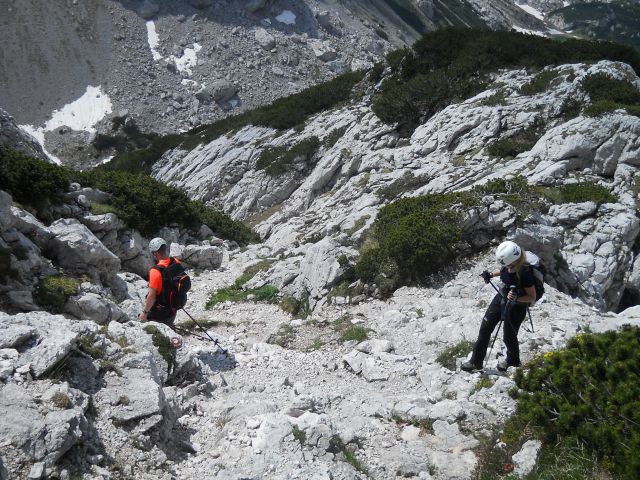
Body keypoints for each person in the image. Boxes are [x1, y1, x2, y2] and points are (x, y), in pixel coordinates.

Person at [461, 241, 537, 372]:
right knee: (485, 327)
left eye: (507, 264)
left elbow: (532, 297)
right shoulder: (510, 263)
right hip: (502, 297)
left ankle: (513, 362)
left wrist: (516, 298)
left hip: (517, 306)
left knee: (509, 336)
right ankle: (475, 362)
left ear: (513, 261)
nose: (505, 266)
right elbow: (503, 271)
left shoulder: (524, 272)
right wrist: (490, 274)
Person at [139, 237, 179, 326]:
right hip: (173, 307)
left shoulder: (155, 271)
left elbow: (151, 296)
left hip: (161, 312)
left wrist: (144, 313)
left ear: (155, 253)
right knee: (169, 326)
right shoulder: (175, 261)